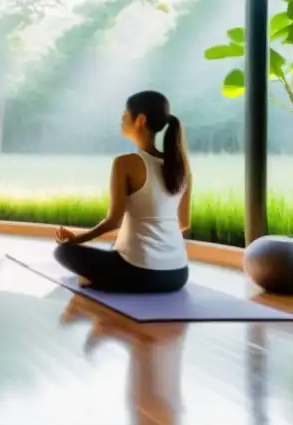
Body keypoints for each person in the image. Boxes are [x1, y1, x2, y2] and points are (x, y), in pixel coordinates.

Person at [53, 90, 192, 293]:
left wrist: (75, 240)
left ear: (140, 120)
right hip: (178, 275)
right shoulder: (182, 170)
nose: (121, 118)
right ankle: (106, 277)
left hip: (140, 274)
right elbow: (184, 223)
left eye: (125, 114)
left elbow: (113, 221)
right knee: (115, 252)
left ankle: (98, 280)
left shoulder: (125, 163)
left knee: (63, 252)